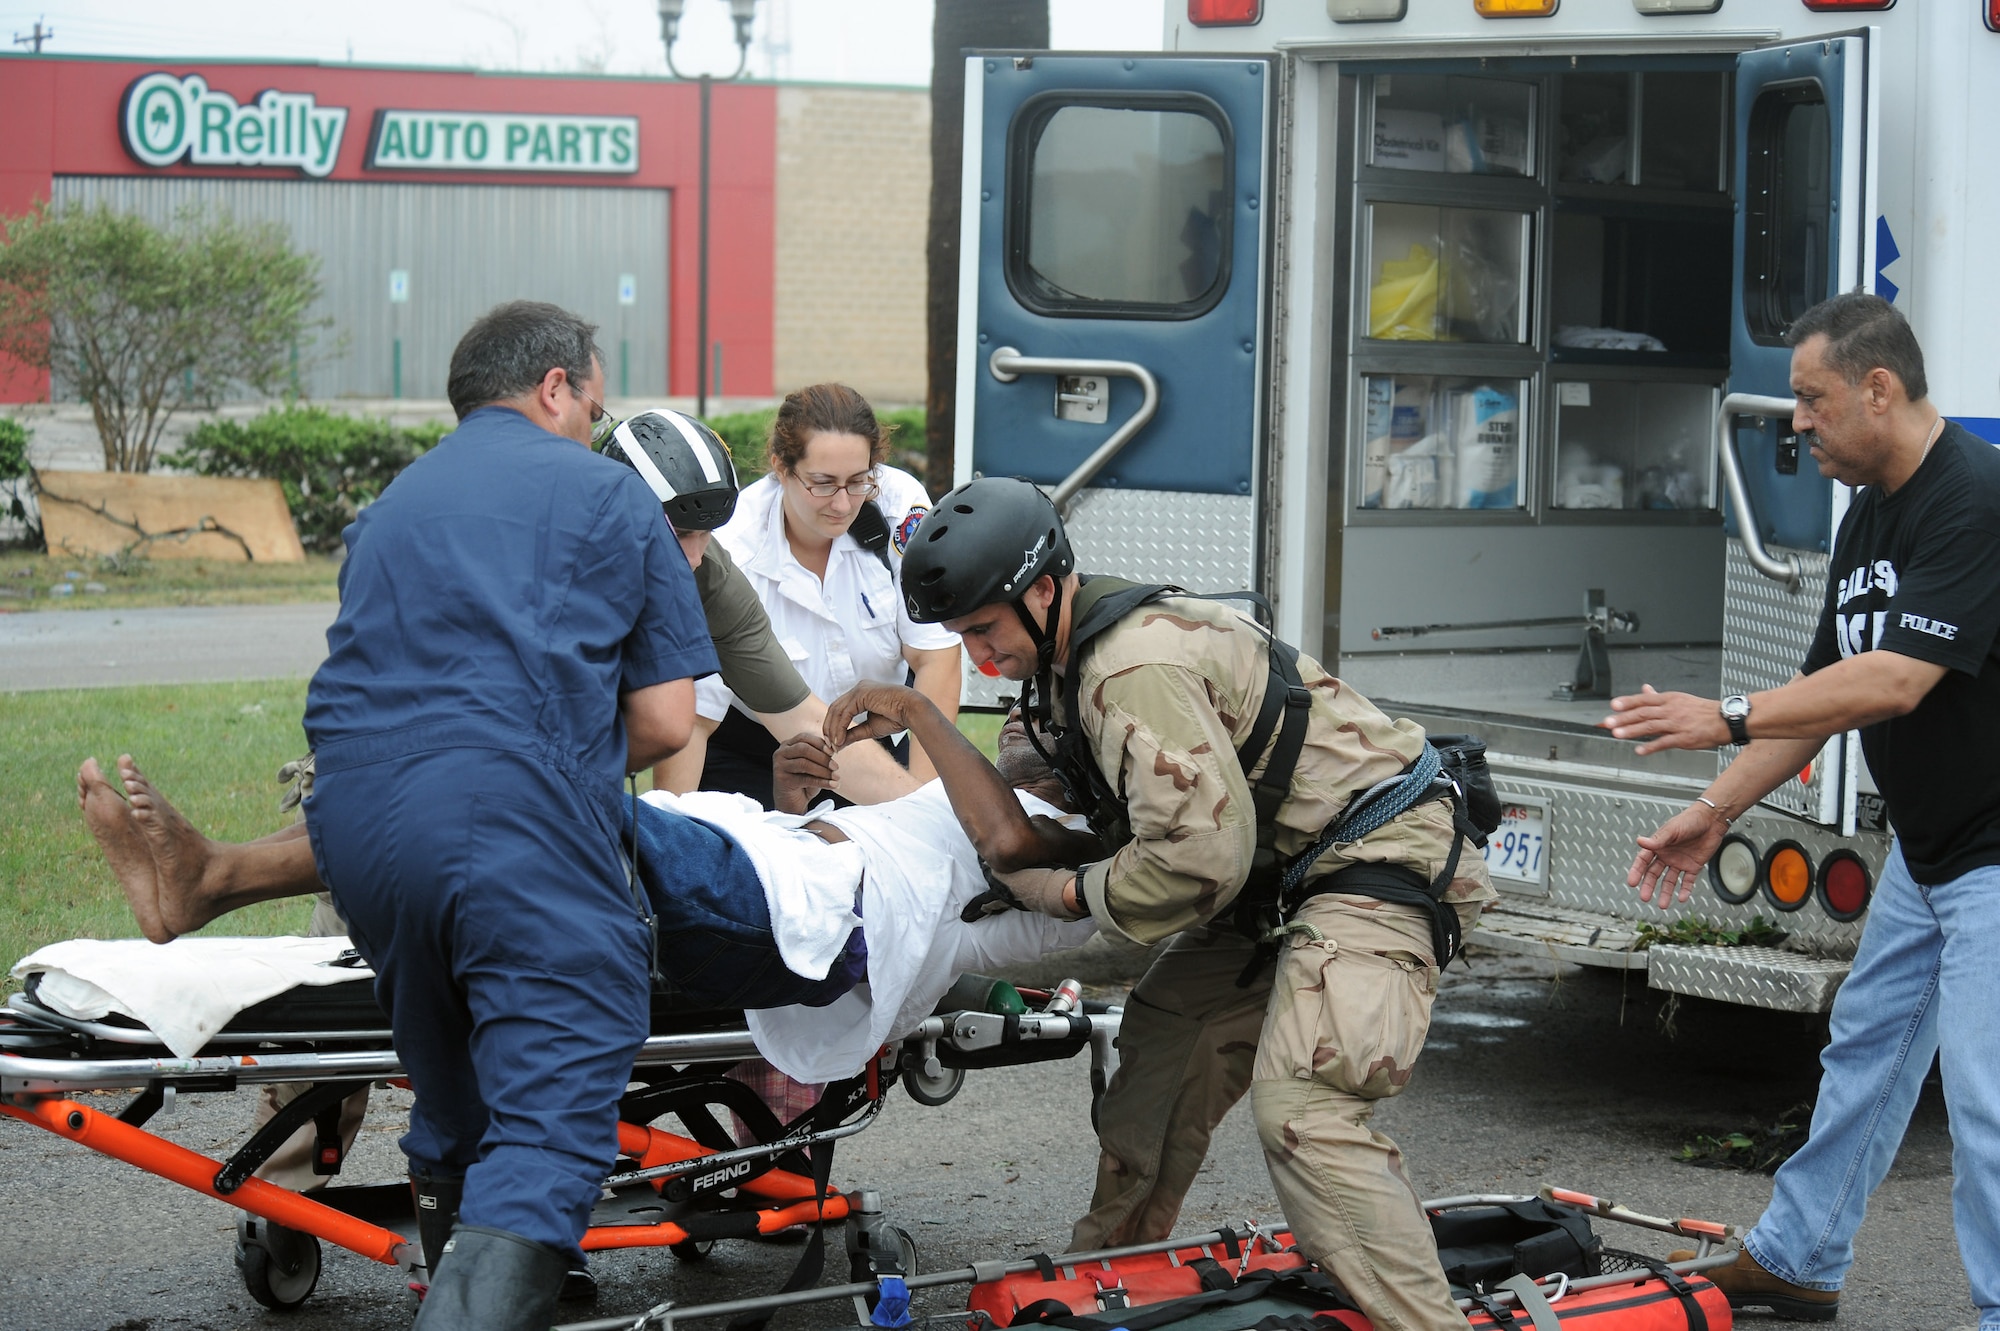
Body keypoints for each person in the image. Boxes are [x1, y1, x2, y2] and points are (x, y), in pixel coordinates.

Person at [880, 476, 1497, 1331]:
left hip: (1379, 857)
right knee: (1159, 1055)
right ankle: (1107, 1292)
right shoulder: (1068, 662)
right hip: (1280, 876)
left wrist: (1066, 892)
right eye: (960, 636)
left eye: (984, 629)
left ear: (1045, 589)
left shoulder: (1129, 668)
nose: (977, 655)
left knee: (1307, 1109)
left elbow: (1198, 859)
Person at [302, 300, 716, 1331]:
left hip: (354, 829)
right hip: (506, 823)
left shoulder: (389, 504)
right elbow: (666, 720)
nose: (593, 421)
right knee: (552, 1108)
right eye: (593, 400)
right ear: (554, 386)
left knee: (454, 1100)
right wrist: (553, 756)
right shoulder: (609, 496)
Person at [1607, 293, 2000, 1327]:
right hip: (1930, 849)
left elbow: (1897, 679)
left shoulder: (1972, 496)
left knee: (1986, 1099)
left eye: (1810, 398)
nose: (1795, 421)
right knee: (1865, 1051)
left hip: (1997, 850)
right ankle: (1796, 1257)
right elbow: (1824, 687)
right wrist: (1715, 805)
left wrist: (1724, 714)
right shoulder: (1868, 510)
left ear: (1878, 387)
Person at [679, 383, 960, 805]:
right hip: (753, 754)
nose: (844, 505)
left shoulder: (900, 506)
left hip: (876, 747)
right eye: (823, 484)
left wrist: (921, 806)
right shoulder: (733, 546)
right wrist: (667, 834)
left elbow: (936, 656)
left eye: (858, 481)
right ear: (781, 467)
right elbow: (697, 717)